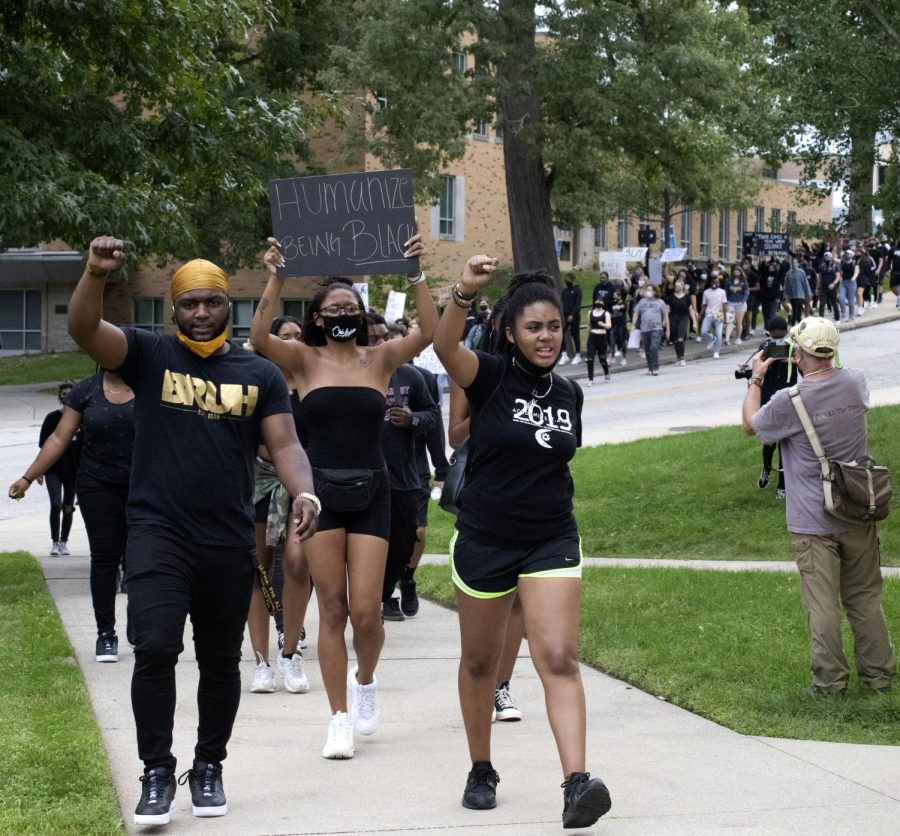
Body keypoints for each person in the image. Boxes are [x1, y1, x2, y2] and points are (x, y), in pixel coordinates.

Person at [66, 236, 319, 826]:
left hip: (227, 538)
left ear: (227, 306)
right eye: (188, 304)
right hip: (157, 530)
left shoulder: (259, 372)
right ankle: (156, 771)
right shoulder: (150, 355)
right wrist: (95, 274)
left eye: (211, 302)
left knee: (219, 662)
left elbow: (285, 443)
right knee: (153, 646)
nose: (200, 312)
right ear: (174, 309)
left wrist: (303, 489)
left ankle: (208, 766)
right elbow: (85, 331)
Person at [434, 257, 611, 829]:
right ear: (511, 331)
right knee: (482, 662)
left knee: (558, 658)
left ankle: (576, 782)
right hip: (485, 537)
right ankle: (481, 766)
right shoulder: (486, 376)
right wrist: (462, 291)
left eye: (554, 326)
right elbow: (442, 347)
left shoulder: (569, 394)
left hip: (550, 537)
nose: (546, 337)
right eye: (534, 327)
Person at [249, 233, 435, 760]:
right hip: (319, 495)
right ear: (317, 317)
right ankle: (338, 717)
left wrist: (416, 270)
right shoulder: (303, 361)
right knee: (330, 608)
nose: (342, 314)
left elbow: (429, 332)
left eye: (350, 307)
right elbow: (260, 335)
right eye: (333, 309)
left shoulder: (380, 359)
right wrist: (277, 273)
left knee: (367, 612)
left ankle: (367, 681)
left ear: (363, 313)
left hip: (374, 491)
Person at [742, 316, 896, 697]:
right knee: (865, 597)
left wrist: (756, 379)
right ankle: (879, 678)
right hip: (859, 506)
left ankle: (830, 684)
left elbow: (751, 426)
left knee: (822, 604)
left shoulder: (789, 401)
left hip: (813, 519)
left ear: (798, 352)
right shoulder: (856, 383)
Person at [10, 369, 134, 662]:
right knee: (104, 559)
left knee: (141, 558)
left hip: (143, 485)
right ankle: (106, 634)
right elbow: (58, 438)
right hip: (97, 485)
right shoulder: (86, 391)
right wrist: (29, 477)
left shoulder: (150, 386)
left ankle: (140, 624)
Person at [247, 315, 313, 695]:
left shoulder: (310, 381)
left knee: (296, 561)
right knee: (257, 569)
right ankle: (260, 661)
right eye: (284, 337)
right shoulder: (256, 380)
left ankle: (290, 652)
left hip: (303, 484)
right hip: (259, 483)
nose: (292, 342)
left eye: (297, 336)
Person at [363, 312, 440, 622]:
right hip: (360, 479)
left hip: (403, 477)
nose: (379, 343)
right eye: (370, 339)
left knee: (405, 542)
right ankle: (371, 603)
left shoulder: (410, 376)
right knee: (366, 548)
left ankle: (386, 591)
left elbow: (432, 416)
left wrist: (413, 419)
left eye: (383, 337)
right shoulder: (345, 374)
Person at [40, 380, 79, 554]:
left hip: (73, 471)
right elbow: (43, 446)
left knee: (68, 507)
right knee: (56, 504)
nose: (66, 398)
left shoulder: (82, 420)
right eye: (63, 395)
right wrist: (39, 470)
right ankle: (55, 542)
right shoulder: (51, 418)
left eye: (69, 394)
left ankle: (64, 541)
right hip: (53, 470)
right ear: (59, 397)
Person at [632, 285, 669, 375]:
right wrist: (633, 324)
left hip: (656, 328)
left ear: (655, 292)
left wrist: (668, 329)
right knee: (647, 349)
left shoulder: (660, 302)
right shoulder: (642, 302)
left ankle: (655, 367)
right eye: (647, 290)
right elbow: (636, 313)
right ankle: (650, 367)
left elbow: (666, 316)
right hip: (644, 329)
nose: (648, 292)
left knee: (654, 347)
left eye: (650, 290)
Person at [584, 295, 611, 385]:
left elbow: (609, 325)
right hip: (592, 337)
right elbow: (589, 325)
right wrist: (588, 337)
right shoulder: (590, 312)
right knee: (590, 359)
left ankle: (606, 373)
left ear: (603, 303)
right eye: (597, 300)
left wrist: (602, 324)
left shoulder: (606, 313)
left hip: (602, 336)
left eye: (600, 301)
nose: (598, 302)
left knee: (602, 359)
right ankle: (590, 379)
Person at [668, 278, 696, 366]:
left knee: (680, 338)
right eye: (676, 285)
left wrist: (694, 322)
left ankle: (682, 358)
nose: (677, 286)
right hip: (673, 318)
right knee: (676, 340)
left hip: (683, 318)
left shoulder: (687, 297)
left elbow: (691, 310)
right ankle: (678, 357)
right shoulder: (671, 296)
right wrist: (665, 321)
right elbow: (667, 309)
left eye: (679, 285)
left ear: (683, 286)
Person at [698, 276, 727, 359]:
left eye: (717, 282)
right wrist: (700, 315)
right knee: (703, 331)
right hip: (709, 314)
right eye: (714, 282)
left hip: (719, 314)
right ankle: (711, 338)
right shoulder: (706, 292)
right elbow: (703, 305)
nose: (715, 284)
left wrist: (725, 316)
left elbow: (724, 304)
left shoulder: (722, 292)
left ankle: (717, 351)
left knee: (719, 333)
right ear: (710, 283)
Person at [559, 272, 583, 365]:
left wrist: (572, 315)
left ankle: (578, 355)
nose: (567, 281)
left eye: (569, 279)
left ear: (573, 279)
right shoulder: (564, 291)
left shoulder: (577, 289)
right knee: (560, 334)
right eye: (566, 279)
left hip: (574, 316)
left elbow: (578, 304)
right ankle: (564, 355)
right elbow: (562, 302)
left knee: (575, 335)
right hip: (565, 316)